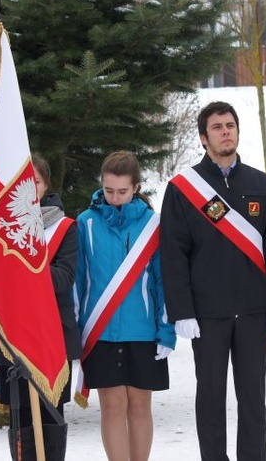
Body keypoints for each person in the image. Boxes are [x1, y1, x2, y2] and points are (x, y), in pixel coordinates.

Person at [160, 101, 266, 461]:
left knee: (253, 399)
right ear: (204, 137)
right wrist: (182, 311)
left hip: (254, 311)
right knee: (210, 400)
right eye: (218, 127)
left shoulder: (261, 184)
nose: (226, 131)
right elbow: (173, 255)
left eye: (230, 125)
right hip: (207, 315)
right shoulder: (182, 189)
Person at [75, 150, 175, 461]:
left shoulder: (153, 225)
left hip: (142, 331)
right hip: (100, 332)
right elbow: (77, 282)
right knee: (112, 404)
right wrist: (74, 332)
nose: (115, 197)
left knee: (140, 405)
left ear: (136, 187)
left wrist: (167, 330)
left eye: (122, 191)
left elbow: (163, 282)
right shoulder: (85, 223)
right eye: (108, 191)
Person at [0, 153, 81, 460]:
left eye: (36, 181)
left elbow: (64, 277)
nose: (30, 188)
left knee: (50, 414)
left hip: (51, 335)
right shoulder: (2, 229)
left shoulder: (65, 228)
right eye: (23, 183)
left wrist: (27, 266)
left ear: (46, 185)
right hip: (13, 335)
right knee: (21, 418)